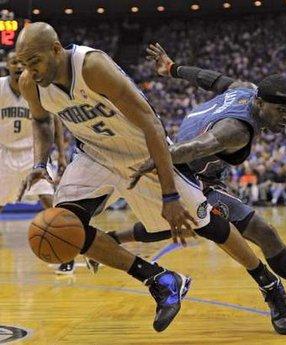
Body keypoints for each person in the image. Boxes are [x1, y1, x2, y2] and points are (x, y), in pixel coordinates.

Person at [15, 22, 240, 332]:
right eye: (24, 64)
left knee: (205, 224)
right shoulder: (30, 82)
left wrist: (170, 194)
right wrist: (40, 163)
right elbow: (41, 123)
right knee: (66, 228)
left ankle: (270, 285)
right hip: (94, 153)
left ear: (56, 49)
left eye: (34, 61)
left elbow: (151, 124)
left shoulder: (93, 66)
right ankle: (160, 279)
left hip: (142, 152)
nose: (30, 70)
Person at [113, 43, 286, 328]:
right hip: (185, 175)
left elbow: (212, 79)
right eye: (279, 111)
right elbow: (198, 147)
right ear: (261, 103)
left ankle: (113, 237)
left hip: (201, 174)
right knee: (246, 232)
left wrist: (173, 68)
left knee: (188, 226)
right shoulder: (237, 131)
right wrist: (157, 159)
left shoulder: (245, 89)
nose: (285, 118)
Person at [0, 50, 66, 211]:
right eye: (14, 62)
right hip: (5, 152)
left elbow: (55, 121)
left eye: (22, 62)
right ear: (7, 65)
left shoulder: (38, 87)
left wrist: (62, 154)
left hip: (34, 152)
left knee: (47, 196)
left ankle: (58, 232)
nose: (18, 66)